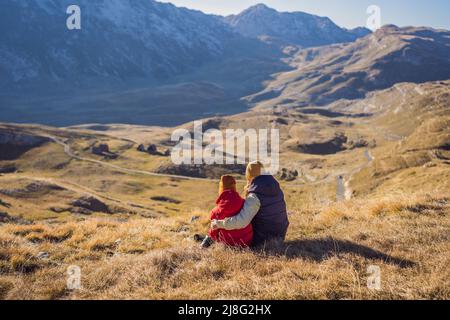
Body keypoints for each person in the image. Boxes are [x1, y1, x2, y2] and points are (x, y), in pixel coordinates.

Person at [211, 161, 289, 247]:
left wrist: (219, 224)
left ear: (250, 176)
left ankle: (211, 239)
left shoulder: (254, 196)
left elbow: (242, 221)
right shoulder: (276, 187)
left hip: (263, 239)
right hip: (281, 234)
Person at [199, 175, 253, 248]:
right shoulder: (245, 204)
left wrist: (207, 241)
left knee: (213, 231)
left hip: (228, 245)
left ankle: (202, 245)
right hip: (247, 243)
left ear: (221, 189)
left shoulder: (215, 211)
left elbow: (213, 233)